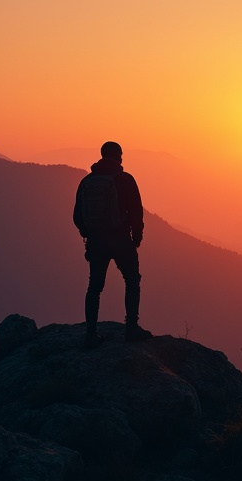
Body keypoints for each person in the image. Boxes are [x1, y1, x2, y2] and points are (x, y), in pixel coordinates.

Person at [73, 141, 152, 348]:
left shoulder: (87, 181)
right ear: (118, 156)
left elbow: (77, 216)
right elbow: (136, 211)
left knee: (95, 286)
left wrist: (89, 233)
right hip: (120, 240)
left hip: (97, 242)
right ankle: (131, 329)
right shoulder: (125, 180)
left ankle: (91, 333)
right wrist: (137, 236)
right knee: (132, 280)